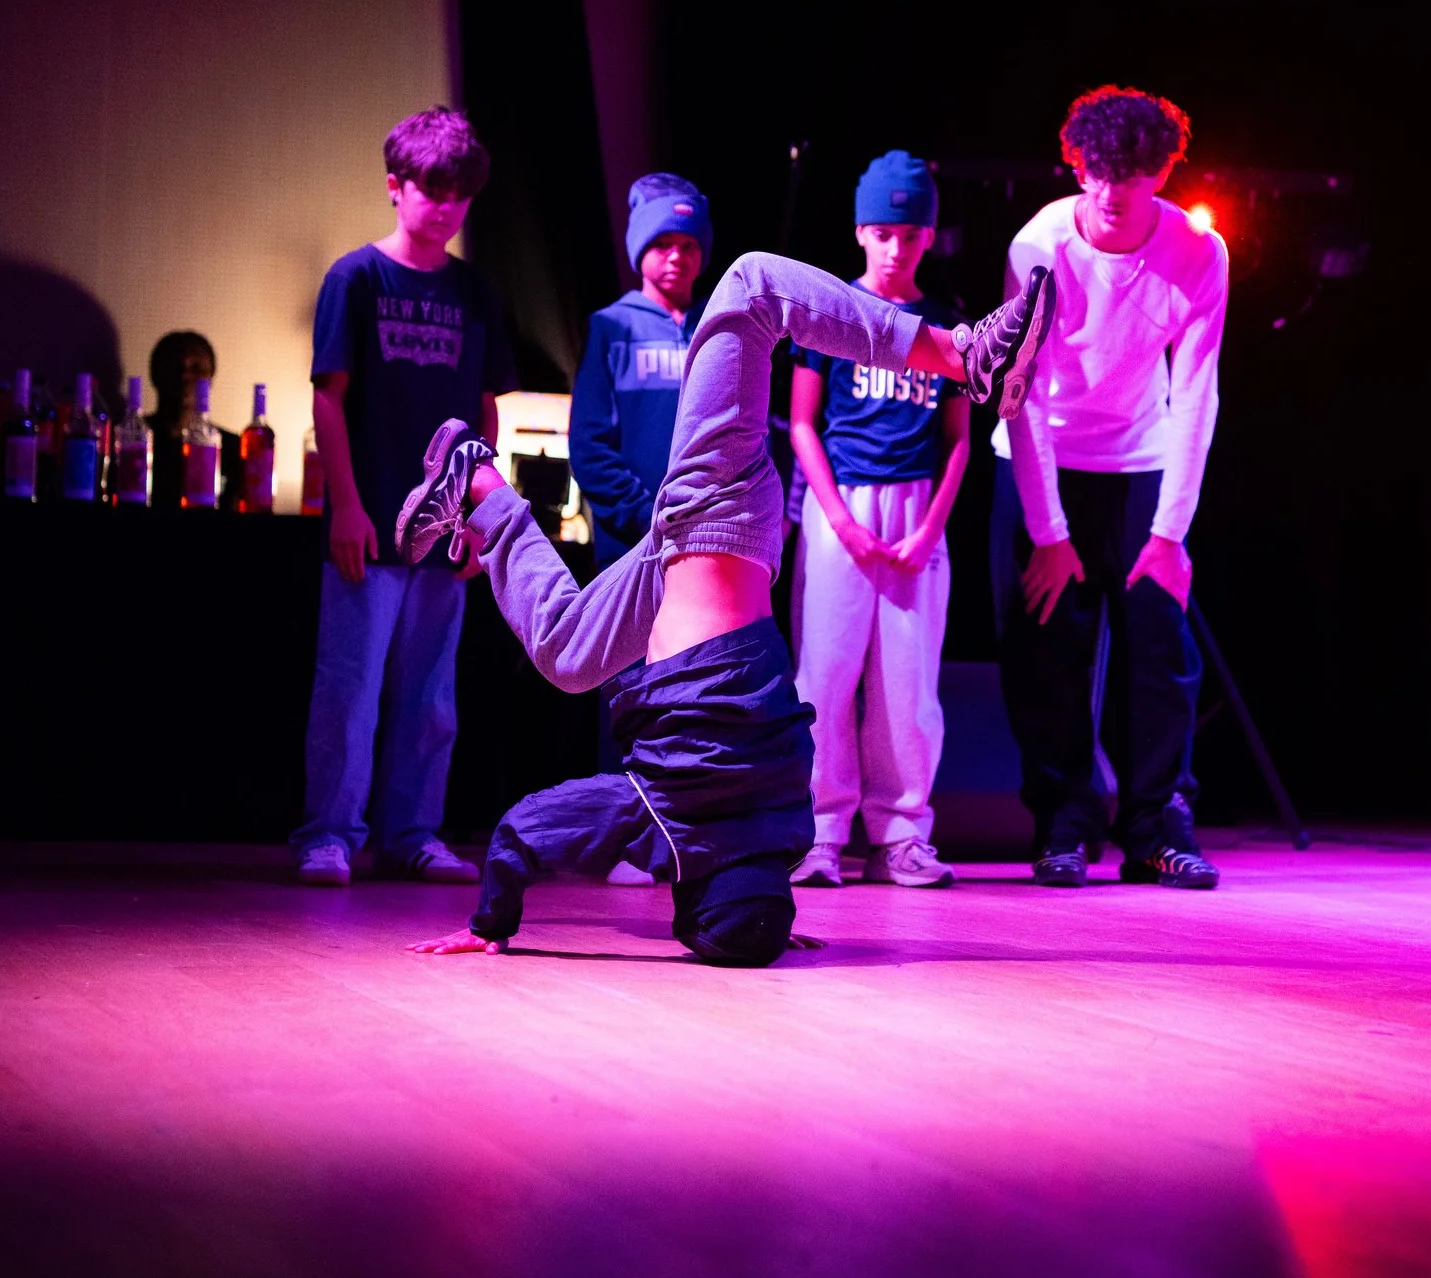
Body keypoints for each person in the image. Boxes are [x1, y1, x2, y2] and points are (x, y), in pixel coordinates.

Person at [396, 249, 1057, 965]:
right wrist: (491, 923)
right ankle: (963, 355)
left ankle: (476, 483)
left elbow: (760, 870)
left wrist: (767, 919)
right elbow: (523, 831)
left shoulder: (785, 823)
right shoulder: (669, 818)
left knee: (567, 652)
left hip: (691, 558)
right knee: (752, 286)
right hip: (718, 511)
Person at [991, 86, 1227, 890]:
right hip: (1042, 455)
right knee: (1047, 646)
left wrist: (1169, 533)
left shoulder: (1199, 252)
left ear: (1161, 173)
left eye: (1130, 174)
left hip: (1139, 462)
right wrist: (1049, 534)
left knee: (1160, 644)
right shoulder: (1039, 246)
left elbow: (1196, 390)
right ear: (1077, 166)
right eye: (1097, 171)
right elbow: (1020, 392)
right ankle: (1063, 821)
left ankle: (1154, 826)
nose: (1111, 190)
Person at [292, 107, 516, 887]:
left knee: (431, 694)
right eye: (433, 190)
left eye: (461, 195)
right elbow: (328, 399)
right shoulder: (354, 278)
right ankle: (329, 833)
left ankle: (412, 832)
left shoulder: (475, 290)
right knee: (349, 687)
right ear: (395, 186)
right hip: (370, 516)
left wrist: (482, 516)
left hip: (446, 529)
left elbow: (485, 409)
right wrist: (347, 505)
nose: (447, 207)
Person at [786, 151, 970, 889]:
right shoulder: (831, 312)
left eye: (912, 234)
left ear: (929, 235)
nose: (898, 248)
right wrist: (840, 521)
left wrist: (928, 531)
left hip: (916, 510)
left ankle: (900, 833)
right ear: (861, 231)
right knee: (824, 676)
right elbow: (803, 424)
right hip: (842, 505)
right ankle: (819, 831)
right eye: (885, 233)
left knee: (907, 682)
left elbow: (958, 440)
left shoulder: (946, 324)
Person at [568, 175, 709, 569]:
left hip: (708, 543)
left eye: (688, 245)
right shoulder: (611, 327)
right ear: (640, 247)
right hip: (630, 548)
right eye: (662, 244)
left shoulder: (718, 328)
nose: (676, 256)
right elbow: (588, 445)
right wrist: (647, 519)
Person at [143, 330, 243, 511]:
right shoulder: (131, 441)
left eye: (196, 368)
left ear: (210, 378)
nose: (185, 376)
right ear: (155, 375)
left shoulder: (232, 447)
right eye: (175, 368)